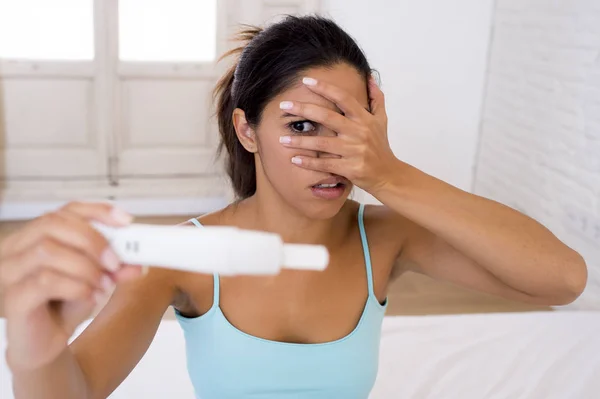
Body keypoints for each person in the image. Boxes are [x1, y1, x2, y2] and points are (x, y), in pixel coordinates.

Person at [1, 16, 587, 399]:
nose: (333, 156)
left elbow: (562, 280)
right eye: (302, 126)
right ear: (247, 130)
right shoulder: (183, 256)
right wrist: (36, 347)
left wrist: (390, 174)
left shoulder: (383, 239)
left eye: (350, 129)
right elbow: (73, 389)